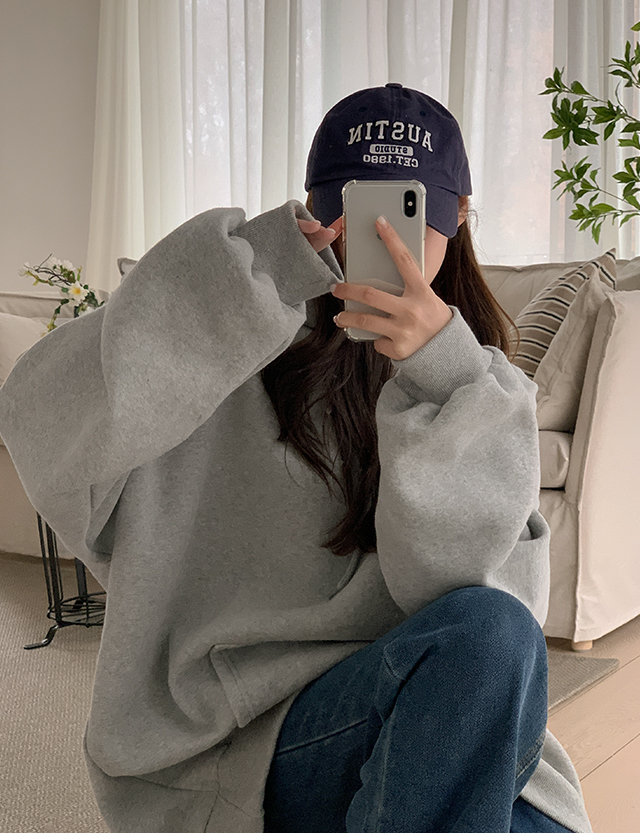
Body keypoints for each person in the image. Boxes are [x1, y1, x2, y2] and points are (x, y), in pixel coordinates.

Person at [0, 84, 592, 833]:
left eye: (412, 213)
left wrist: (445, 374)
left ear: (461, 215)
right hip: (245, 748)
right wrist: (255, 274)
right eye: (359, 210)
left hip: (424, 724)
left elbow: (471, 611)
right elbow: (38, 423)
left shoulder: (479, 388)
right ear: (315, 205)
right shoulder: (221, 344)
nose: (387, 239)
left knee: (495, 641)